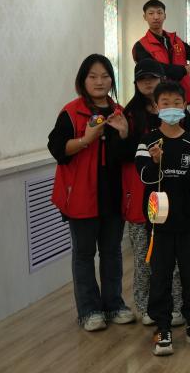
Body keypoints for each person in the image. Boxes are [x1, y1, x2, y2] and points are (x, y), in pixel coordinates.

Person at [47, 54, 133, 331]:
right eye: (93, 76)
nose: (99, 81)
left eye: (105, 76)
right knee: (84, 254)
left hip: (113, 195)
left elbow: (126, 156)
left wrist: (124, 134)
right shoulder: (71, 112)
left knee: (112, 252)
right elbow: (57, 149)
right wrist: (86, 139)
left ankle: (114, 304)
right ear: (82, 81)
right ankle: (89, 310)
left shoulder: (119, 112)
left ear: (112, 80)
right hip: (82, 195)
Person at [135, 81, 190, 356]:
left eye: (176, 103)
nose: (171, 108)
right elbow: (145, 178)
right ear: (156, 107)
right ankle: (162, 327)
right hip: (159, 222)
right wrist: (155, 161)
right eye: (165, 103)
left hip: (189, 220)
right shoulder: (147, 142)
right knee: (160, 276)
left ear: (185, 106)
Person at [121, 59, 186, 327]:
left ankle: (176, 306)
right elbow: (123, 157)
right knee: (144, 256)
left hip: (174, 196)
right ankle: (146, 306)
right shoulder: (129, 114)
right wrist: (124, 136)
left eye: (152, 77)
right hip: (141, 195)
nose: (147, 83)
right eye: (142, 79)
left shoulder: (179, 112)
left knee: (174, 259)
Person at [133, 0, 190, 104]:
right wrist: (183, 70)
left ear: (165, 16)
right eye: (151, 13)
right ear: (145, 17)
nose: (156, 17)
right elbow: (154, 68)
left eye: (159, 13)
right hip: (157, 99)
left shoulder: (175, 40)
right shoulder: (140, 46)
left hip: (181, 96)